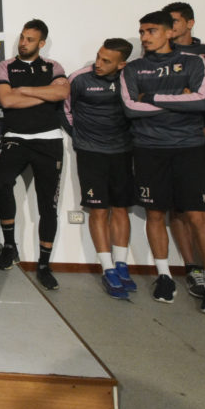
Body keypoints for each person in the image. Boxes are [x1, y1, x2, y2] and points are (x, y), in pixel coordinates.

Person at [120, 11, 205, 316]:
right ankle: (164, 276)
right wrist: (180, 99)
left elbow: (201, 101)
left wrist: (151, 96)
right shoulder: (133, 68)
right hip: (148, 149)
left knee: (198, 217)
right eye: (142, 31)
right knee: (155, 214)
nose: (144, 37)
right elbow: (131, 108)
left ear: (169, 32)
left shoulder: (194, 62)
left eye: (151, 31)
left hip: (188, 149)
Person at [0, 19, 69, 291]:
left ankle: (44, 265)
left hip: (49, 140)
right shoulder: (5, 66)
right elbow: (7, 100)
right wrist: (47, 95)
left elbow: (62, 92)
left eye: (30, 39)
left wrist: (24, 89)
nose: (23, 43)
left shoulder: (53, 66)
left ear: (41, 43)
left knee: (48, 205)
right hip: (16, 137)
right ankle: (9, 247)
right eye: (22, 37)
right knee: (2, 183)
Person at [64, 39, 137, 299]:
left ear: (122, 64)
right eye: (98, 56)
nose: (98, 63)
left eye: (106, 61)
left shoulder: (130, 78)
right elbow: (65, 110)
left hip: (122, 151)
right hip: (91, 152)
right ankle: (107, 268)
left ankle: (121, 264)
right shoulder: (79, 79)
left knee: (120, 209)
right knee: (98, 210)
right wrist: (80, 137)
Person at [162, 1, 205, 292]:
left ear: (190, 23)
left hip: (202, 136)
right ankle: (193, 267)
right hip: (167, 138)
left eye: (174, 21)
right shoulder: (155, 55)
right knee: (177, 205)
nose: (169, 27)